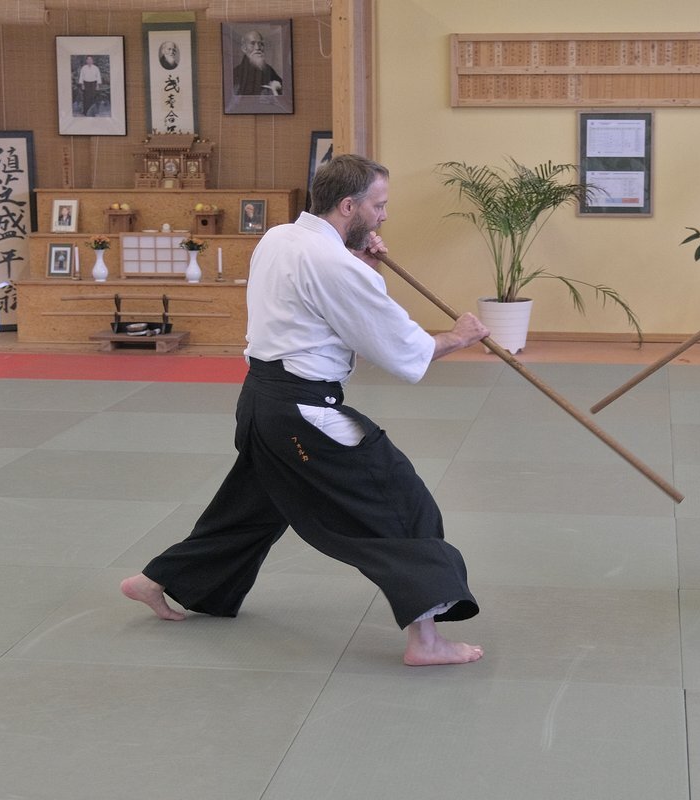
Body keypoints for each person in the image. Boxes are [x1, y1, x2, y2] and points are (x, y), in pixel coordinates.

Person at [121, 154, 491, 666]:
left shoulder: (279, 238)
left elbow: (318, 302)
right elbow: (404, 353)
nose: (384, 217)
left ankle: (155, 580)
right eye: (378, 206)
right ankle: (425, 640)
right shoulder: (334, 264)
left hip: (259, 403)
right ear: (348, 205)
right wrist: (461, 336)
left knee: (255, 505)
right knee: (404, 503)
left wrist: (361, 263)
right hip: (304, 414)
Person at [232, 29, 283, 95]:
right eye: (252, 43)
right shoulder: (236, 72)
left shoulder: (268, 69)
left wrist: (278, 86)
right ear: (244, 48)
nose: (257, 48)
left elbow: (283, 87)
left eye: (260, 44)